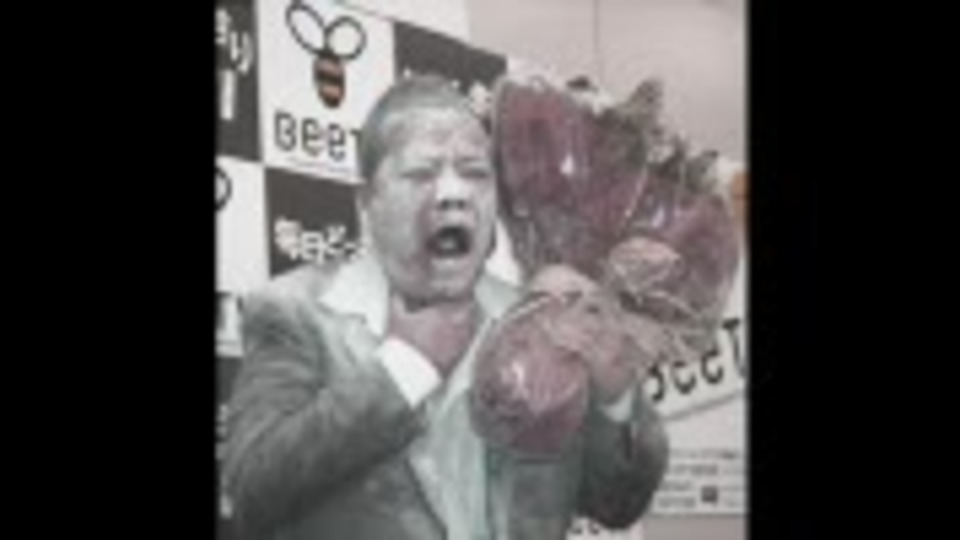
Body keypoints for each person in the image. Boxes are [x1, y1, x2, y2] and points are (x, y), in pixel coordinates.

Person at [221, 74, 668, 540]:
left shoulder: (542, 320)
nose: (454, 193)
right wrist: (407, 367)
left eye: (475, 173)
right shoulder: (295, 310)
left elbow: (617, 505)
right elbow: (252, 495)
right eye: (421, 173)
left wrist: (615, 400)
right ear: (367, 202)